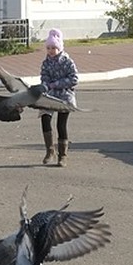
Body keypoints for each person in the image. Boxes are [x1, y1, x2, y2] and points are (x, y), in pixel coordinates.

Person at [39, 28, 79, 166]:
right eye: (48, 48)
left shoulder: (68, 62)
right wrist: (44, 86)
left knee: (61, 125)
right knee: (45, 118)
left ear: (59, 47)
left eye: (53, 48)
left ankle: (63, 155)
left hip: (64, 96)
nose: (50, 51)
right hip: (49, 95)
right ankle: (50, 151)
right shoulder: (46, 63)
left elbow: (74, 79)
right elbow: (44, 78)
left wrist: (57, 84)